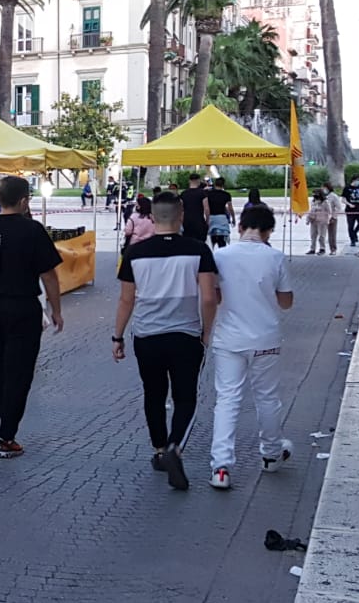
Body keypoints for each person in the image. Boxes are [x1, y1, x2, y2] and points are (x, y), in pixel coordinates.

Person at [112, 192, 218, 492]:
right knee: (186, 397)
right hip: (186, 335)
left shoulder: (135, 253)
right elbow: (209, 297)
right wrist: (207, 332)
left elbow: (125, 299)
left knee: (153, 394)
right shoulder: (199, 250)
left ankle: (159, 450)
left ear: (152, 217)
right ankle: (176, 446)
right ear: (181, 215)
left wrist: (117, 336)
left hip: (146, 336)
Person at [0, 176, 63, 459]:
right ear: (24, 201)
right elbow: (49, 275)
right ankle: (7, 438)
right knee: (20, 372)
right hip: (22, 307)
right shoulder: (33, 230)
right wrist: (56, 309)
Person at [208, 205, 295, 490]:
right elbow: (286, 302)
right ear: (268, 231)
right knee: (267, 398)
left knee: (228, 400)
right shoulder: (276, 257)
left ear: (240, 226)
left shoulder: (220, 256)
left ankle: (221, 467)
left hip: (229, 340)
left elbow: (215, 297)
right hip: (266, 339)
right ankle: (271, 455)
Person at [179, 174, 210, 242]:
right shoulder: (202, 193)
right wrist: (207, 221)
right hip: (199, 222)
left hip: (187, 222)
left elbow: (181, 210)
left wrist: (181, 222)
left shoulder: (183, 194)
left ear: (189, 181)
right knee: (200, 243)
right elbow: (206, 209)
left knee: (188, 243)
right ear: (199, 181)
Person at [207, 178, 235, 248]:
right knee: (222, 243)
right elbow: (230, 208)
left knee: (211, 242)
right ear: (223, 185)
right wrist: (233, 218)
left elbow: (206, 207)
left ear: (215, 184)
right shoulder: (226, 195)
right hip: (222, 218)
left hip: (212, 218)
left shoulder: (208, 194)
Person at [307, 185, 335, 255]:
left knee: (321, 236)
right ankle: (312, 249)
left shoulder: (325, 202)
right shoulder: (313, 202)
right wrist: (308, 219)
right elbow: (311, 210)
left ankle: (322, 248)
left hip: (322, 221)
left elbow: (329, 211)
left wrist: (330, 218)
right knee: (313, 235)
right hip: (313, 220)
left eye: (316, 194)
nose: (314, 196)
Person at [343, 176, 359, 247]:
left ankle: (354, 233)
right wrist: (349, 204)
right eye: (357, 180)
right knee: (350, 225)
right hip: (350, 210)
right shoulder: (347, 188)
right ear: (353, 180)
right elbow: (343, 200)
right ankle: (352, 240)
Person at [324, 182, 345, 253]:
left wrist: (334, 216)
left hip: (332, 218)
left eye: (324, 188)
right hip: (324, 217)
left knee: (332, 234)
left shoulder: (333, 196)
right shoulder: (324, 196)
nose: (323, 189)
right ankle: (324, 248)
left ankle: (333, 249)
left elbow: (339, 207)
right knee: (324, 234)